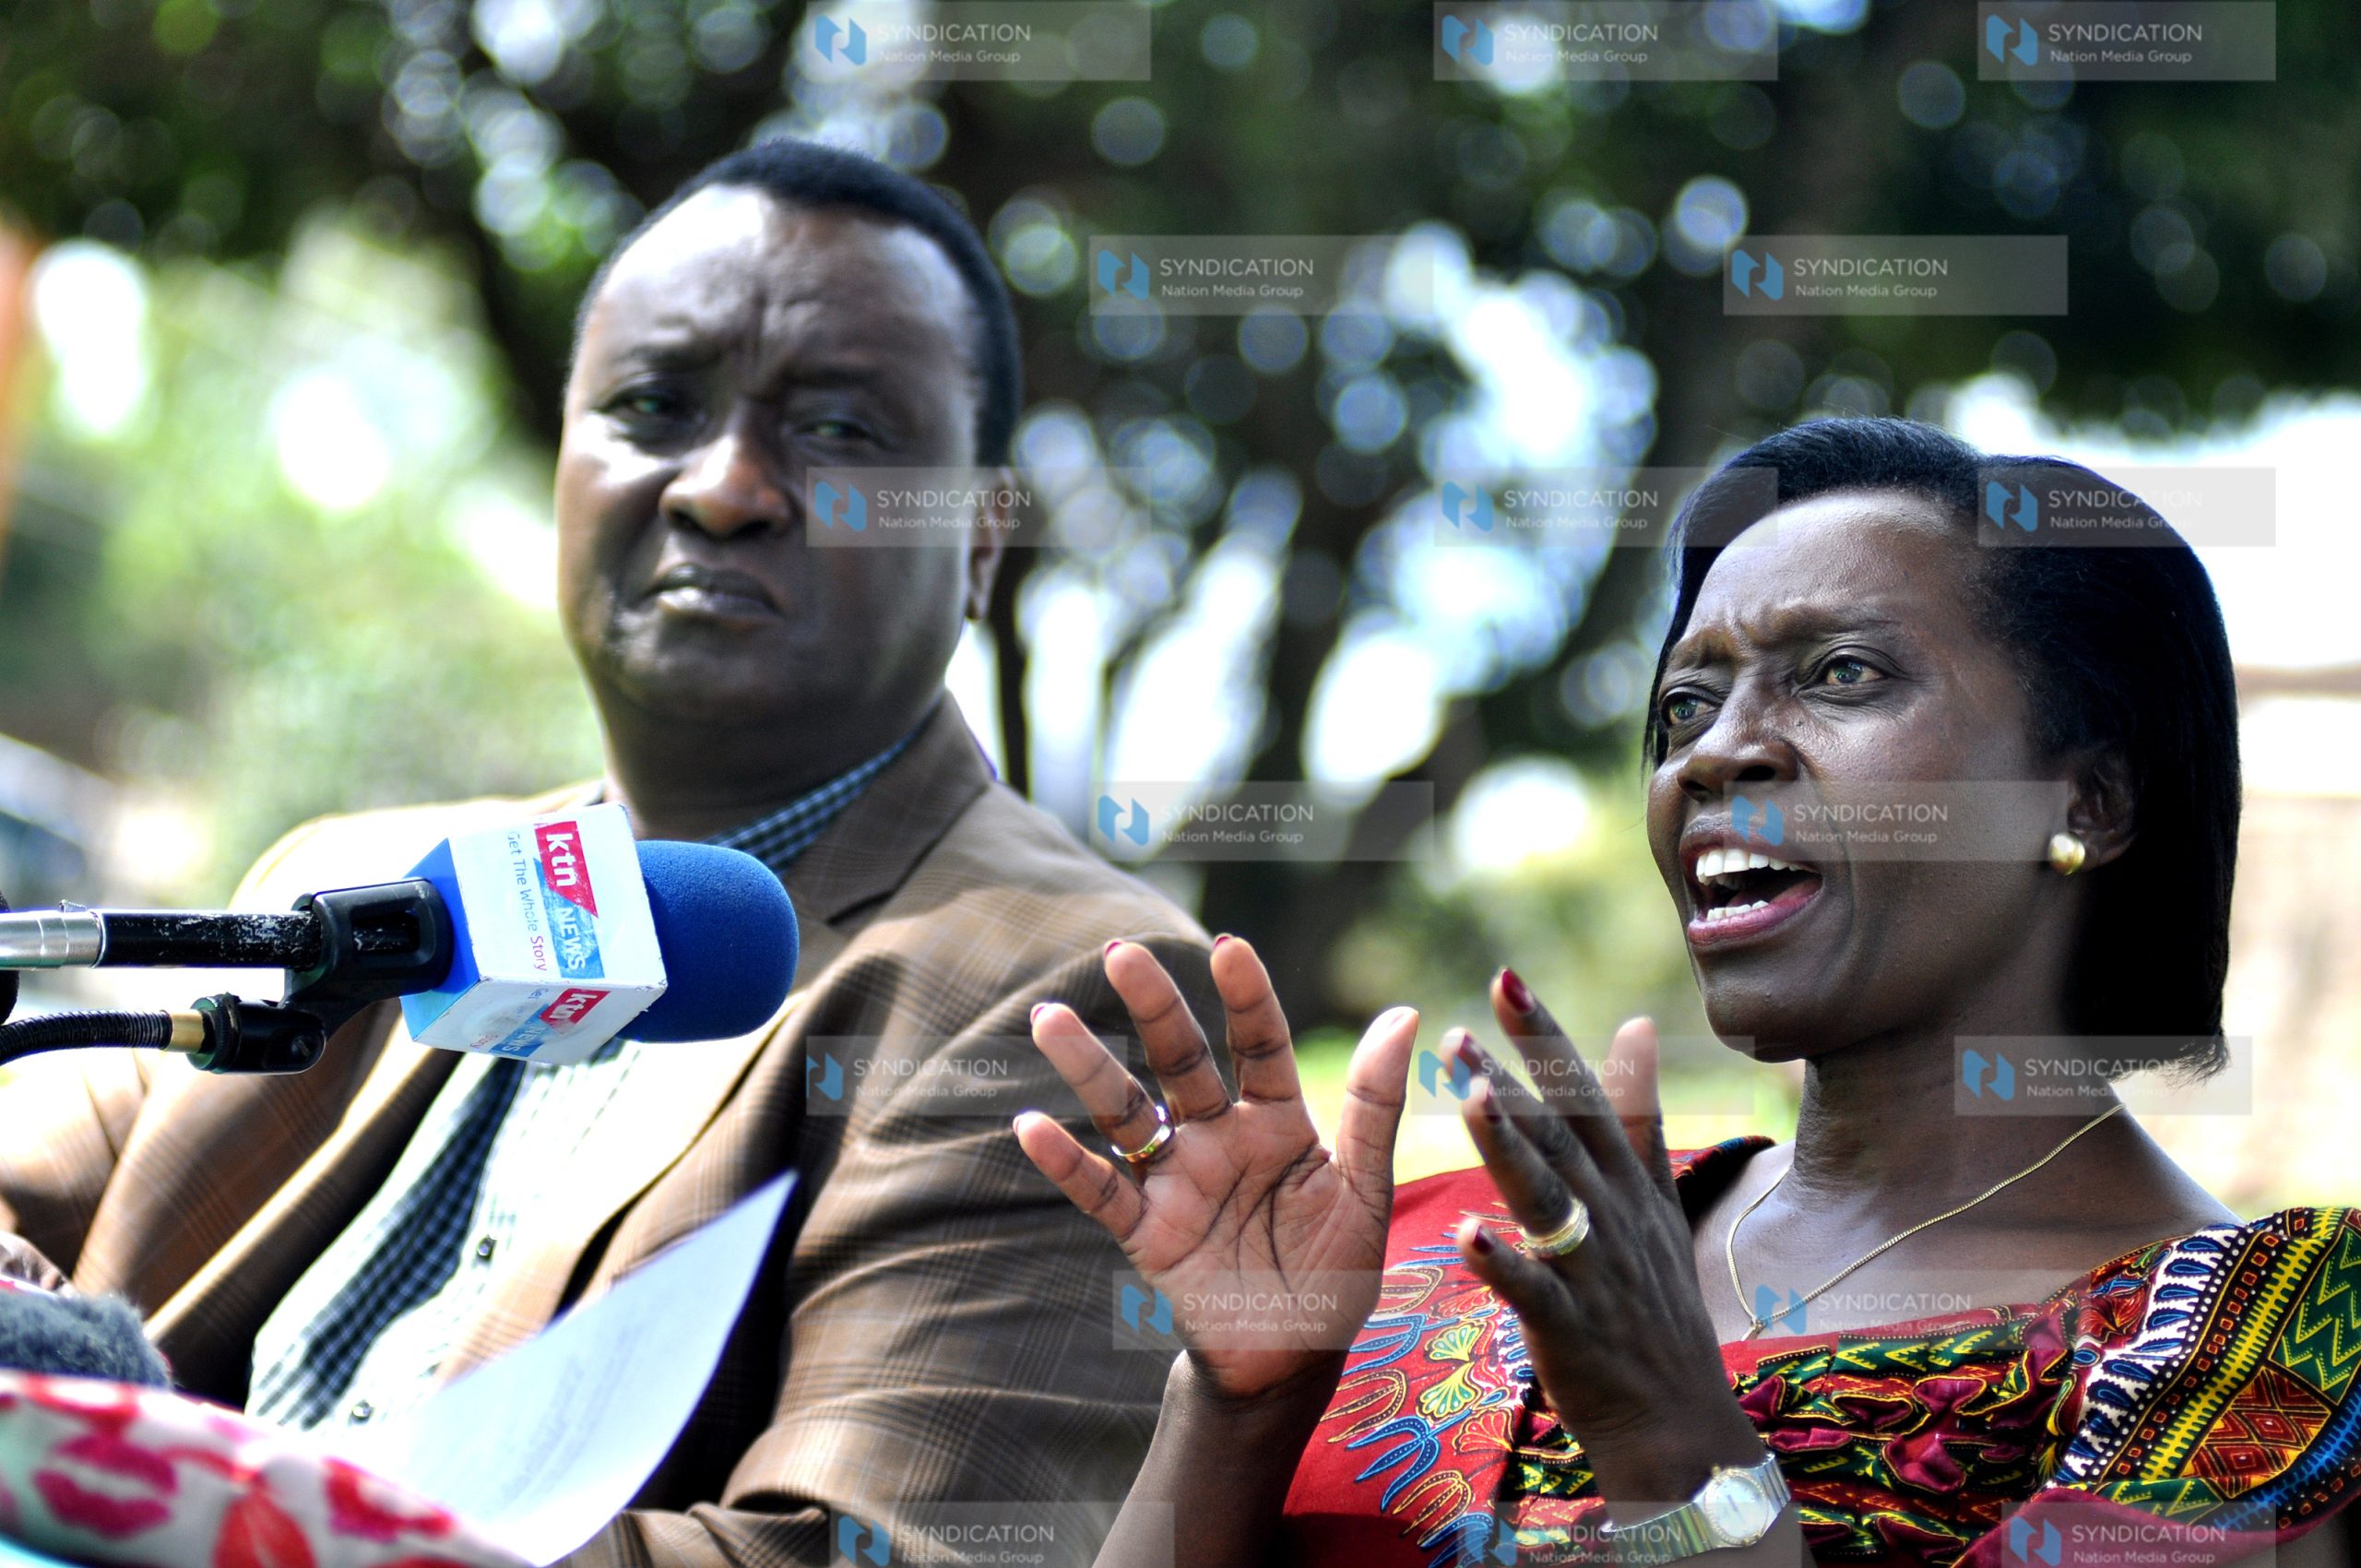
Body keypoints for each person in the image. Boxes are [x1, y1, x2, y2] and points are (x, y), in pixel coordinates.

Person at [0, 138, 1221, 1567]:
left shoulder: (1070, 991)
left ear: (982, 538)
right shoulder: (353, 883)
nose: (724, 489)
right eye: (651, 407)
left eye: (841, 429)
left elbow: (863, 1551)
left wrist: (220, 1504)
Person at [1014, 419, 2361, 1566]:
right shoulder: (1439, 1241)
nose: (1714, 755)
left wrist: (1675, 1443)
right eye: (1684, 708)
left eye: (1841, 675)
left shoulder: (2268, 1349)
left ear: (2090, 799)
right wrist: (1241, 1401)